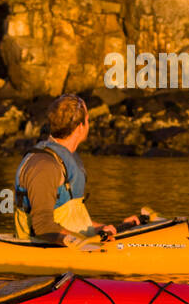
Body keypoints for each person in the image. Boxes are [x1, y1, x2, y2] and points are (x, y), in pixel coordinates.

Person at [12, 93, 142, 246]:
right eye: (88, 120)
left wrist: (102, 228)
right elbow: (43, 227)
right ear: (81, 127)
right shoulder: (44, 166)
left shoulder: (62, 161)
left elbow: (69, 219)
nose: (88, 124)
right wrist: (85, 243)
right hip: (46, 251)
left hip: (72, 246)